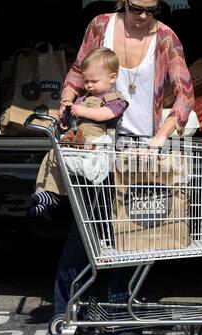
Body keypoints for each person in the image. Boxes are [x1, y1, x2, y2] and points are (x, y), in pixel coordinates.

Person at [54, 0, 195, 335]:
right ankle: (63, 314)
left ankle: (121, 321)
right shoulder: (101, 26)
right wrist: (66, 104)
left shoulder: (165, 38)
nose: (143, 17)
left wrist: (164, 133)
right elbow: (78, 71)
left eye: (152, 11)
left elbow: (185, 96)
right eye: (136, 9)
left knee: (129, 237)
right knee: (85, 235)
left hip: (139, 152)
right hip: (96, 145)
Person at [29, 47, 128, 217]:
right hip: (77, 141)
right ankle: (43, 194)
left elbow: (107, 114)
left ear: (112, 78)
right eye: (86, 81)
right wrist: (66, 116)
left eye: (94, 81)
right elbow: (72, 120)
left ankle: (50, 196)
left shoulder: (115, 100)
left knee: (61, 154)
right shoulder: (82, 98)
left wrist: (82, 111)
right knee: (53, 155)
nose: (89, 85)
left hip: (96, 145)